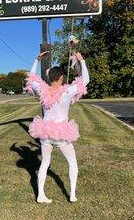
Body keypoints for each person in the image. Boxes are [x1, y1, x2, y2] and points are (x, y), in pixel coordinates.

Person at [25, 51, 90, 203]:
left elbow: (31, 77)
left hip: (45, 132)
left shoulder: (42, 89)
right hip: (61, 133)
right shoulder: (67, 91)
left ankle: (41, 195)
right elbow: (85, 80)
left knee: (45, 162)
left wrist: (36, 60)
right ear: (61, 78)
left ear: (48, 77)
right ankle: (72, 194)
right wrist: (82, 61)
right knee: (72, 162)